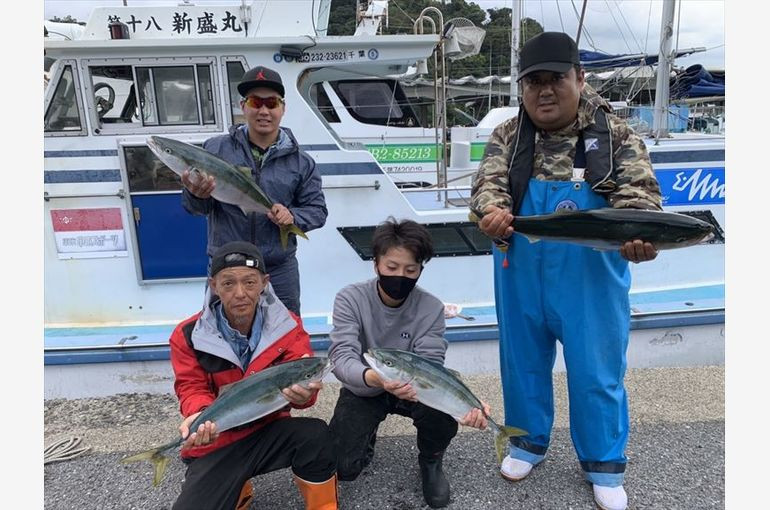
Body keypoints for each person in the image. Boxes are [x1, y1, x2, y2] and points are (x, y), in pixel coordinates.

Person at [470, 32, 663, 510]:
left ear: (579, 78)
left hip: (590, 278)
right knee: (522, 364)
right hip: (520, 270)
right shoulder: (509, 136)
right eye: (533, 82)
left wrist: (639, 237)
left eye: (555, 79)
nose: (544, 91)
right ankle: (526, 444)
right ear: (522, 89)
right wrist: (491, 213)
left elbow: (641, 200)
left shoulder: (616, 135)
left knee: (596, 371)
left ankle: (603, 464)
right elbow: (487, 188)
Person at [327, 218, 490, 509]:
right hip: (367, 383)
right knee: (343, 467)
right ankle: (366, 436)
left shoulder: (430, 307)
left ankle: (431, 460)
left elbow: (431, 365)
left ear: (420, 270)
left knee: (442, 417)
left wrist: (467, 406)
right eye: (391, 267)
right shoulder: (350, 298)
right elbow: (342, 358)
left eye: (410, 270)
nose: (400, 276)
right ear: (376, 263)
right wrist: (376, 379)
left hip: (416, 389)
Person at [169, 241, 337, 510]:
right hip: (217, 440)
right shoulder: (188, 334)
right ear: (213, 286)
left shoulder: (288, 326)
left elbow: (304, 389)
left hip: (267, 431)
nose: (240, 293)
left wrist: (304, 396)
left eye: (249, 282)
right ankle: (238, 488)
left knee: (315, 434)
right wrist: (198, 415)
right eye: (228, 284)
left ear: (264, 282)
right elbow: (191, 386)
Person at [181, 65, 328, 316]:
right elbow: (196, 209)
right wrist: (196, 194)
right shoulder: (215, 149)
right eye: (255, 102)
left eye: (271, 103)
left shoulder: (302, 162)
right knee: (220, 337)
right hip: (226, 267)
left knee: (285, 338)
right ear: (243, 106)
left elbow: (318, 211)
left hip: (278, 269)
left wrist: (293, 217)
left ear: (283, 108)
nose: (263, 110)